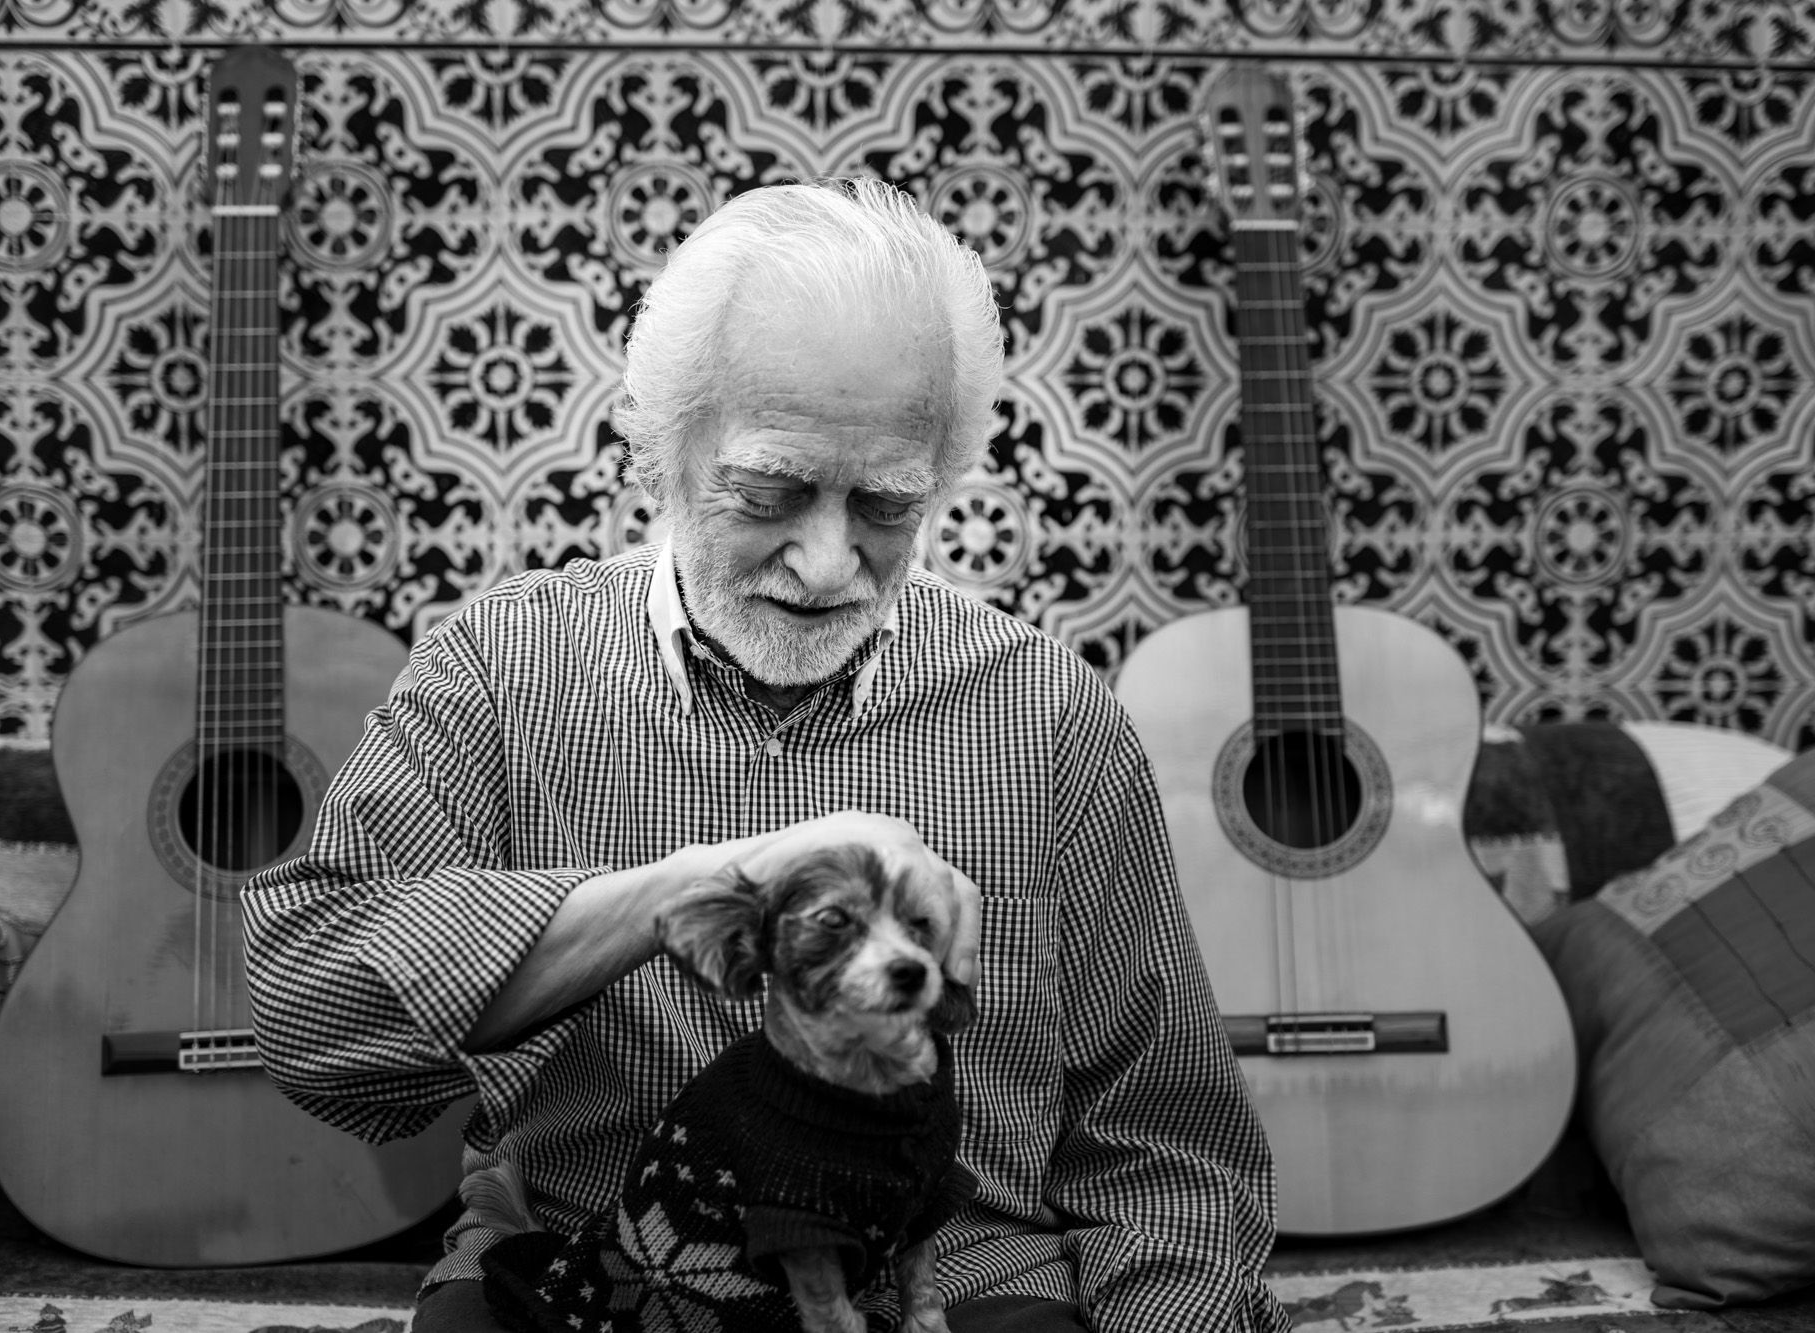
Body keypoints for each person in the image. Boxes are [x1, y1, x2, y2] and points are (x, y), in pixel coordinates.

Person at [243, 176, 1289, 1333]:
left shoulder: (1048, 713)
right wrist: (704, 886)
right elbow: (308, 1018)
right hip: (591, 1264)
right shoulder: (497, 669)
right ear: (663, 452)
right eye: (772, 490)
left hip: (957, 1283)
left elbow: (1165, 1148)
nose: (830, 561)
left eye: (885, 505)